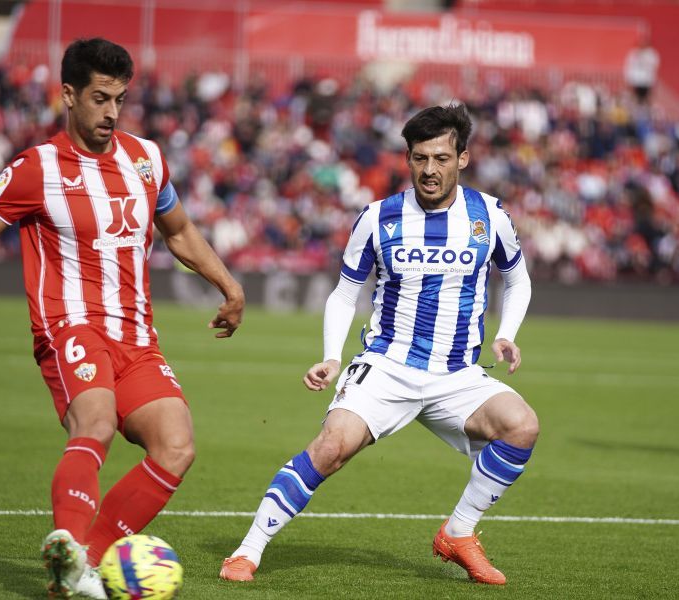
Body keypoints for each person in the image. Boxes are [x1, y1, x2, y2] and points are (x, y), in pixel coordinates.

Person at [0, 38, 245, 599]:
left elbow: (178, 231)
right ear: (68, 95)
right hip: (71, 327)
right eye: (100, 98)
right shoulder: (35, 169)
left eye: (120, 99)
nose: (111, 112)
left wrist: (227, 284)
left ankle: (79, 564)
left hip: (136, 337)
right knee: (97, 424)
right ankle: (71, 546)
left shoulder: (146, 158)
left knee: (176, 446)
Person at [219, 103, 537, 585]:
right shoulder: (377, 218)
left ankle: (458, 532)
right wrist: (331, 355)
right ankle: (247, 551)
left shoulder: (490, 216)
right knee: (330, 448)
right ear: (407, 159)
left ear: (463, 159)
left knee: (522, 427)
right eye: (419, 158)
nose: (429, 170)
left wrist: (507, 334)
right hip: (387, 365)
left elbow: (518, 280)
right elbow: (346, 292)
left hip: (456, 374)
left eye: (441, 158)